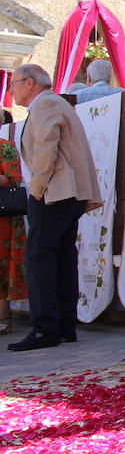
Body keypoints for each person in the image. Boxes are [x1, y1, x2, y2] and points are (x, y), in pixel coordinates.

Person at [8, 64, 101, 351]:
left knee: (39, 258)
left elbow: (46, 146)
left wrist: (36, 189)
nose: (11, 90)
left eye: (14, 83)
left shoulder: (46, 103)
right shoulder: (53, 103)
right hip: (64, 194)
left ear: (30, 83)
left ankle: (45, 328)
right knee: (60, 257)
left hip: (53, 193)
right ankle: (63, 326)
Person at [0, 108, 25, 335]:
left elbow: (13, 179)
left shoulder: (4, 146)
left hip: (2, 219)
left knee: (1, 265)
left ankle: (3, 317)